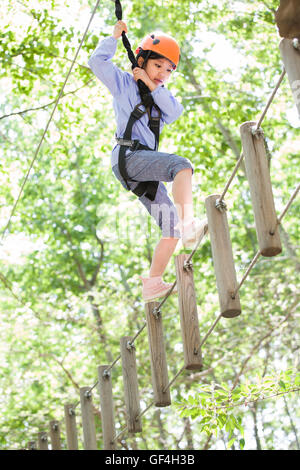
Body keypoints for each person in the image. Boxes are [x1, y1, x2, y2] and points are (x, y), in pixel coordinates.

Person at [88, 20, 208, 302]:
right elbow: (97, 62)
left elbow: (175, 111)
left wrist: (149, 82)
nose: (163, 74)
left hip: (141, 166)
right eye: (158, 66)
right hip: (129, 156)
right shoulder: (122, 85)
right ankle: (189, 221)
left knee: (171, 228)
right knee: (181, 165)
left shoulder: (160, 100)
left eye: (168, 71)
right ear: (141, 61)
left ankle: (153, 282)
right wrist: (114, 38)